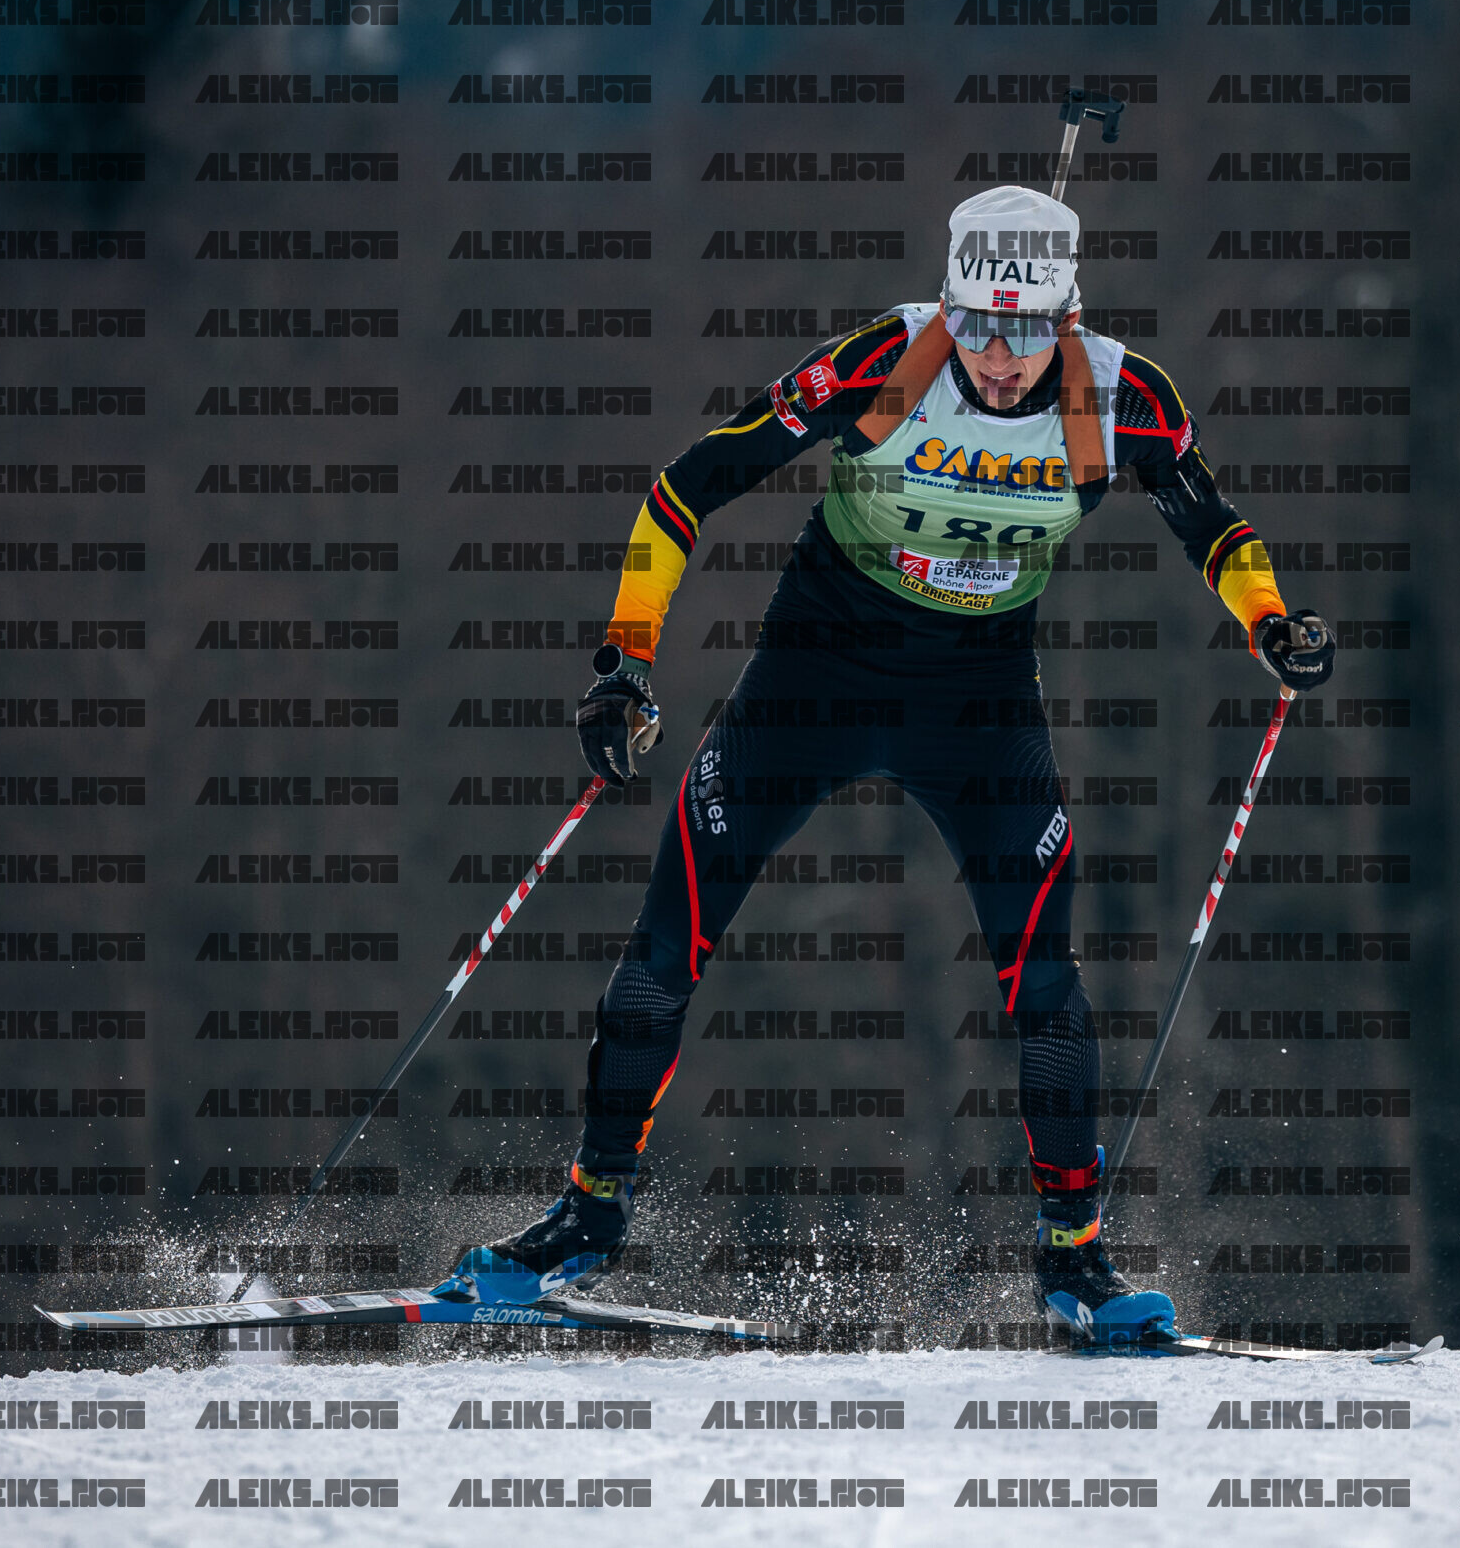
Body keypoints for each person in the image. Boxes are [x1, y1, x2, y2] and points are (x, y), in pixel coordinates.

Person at [437, 185, 1336, 1343]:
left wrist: (1273, 622)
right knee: (667, 944)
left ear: (1068, 317)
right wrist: (625, 661)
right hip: (813, 676)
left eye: (1025, 332)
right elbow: (689, 484)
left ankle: (1076, 1262)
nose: (998, 359)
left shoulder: (1121, 396)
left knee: (1045, 976)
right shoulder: (884, 362)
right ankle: (586, 1216)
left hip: (978, 701)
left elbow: (1210, 522)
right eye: (977, 328)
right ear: (948, 308)